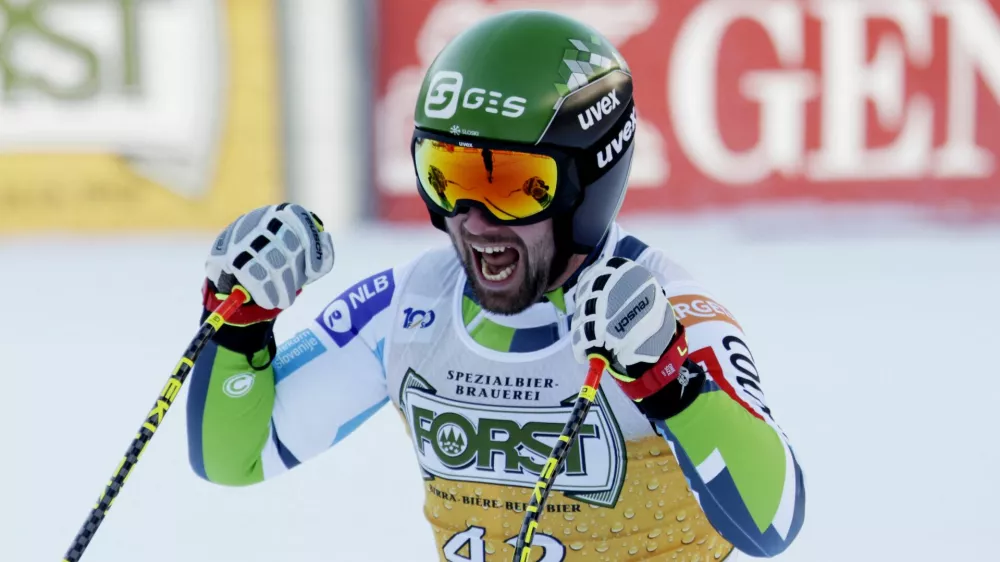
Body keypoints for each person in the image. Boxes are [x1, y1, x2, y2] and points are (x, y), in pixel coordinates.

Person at [187, 10, 806, 561]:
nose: (473, 220)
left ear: (586, 184)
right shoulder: (410, 306)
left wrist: (671, 384)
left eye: (510, 185)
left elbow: (773, 523)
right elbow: (234, 456)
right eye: (446, 175)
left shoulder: (666, 316)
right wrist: (240, 325)